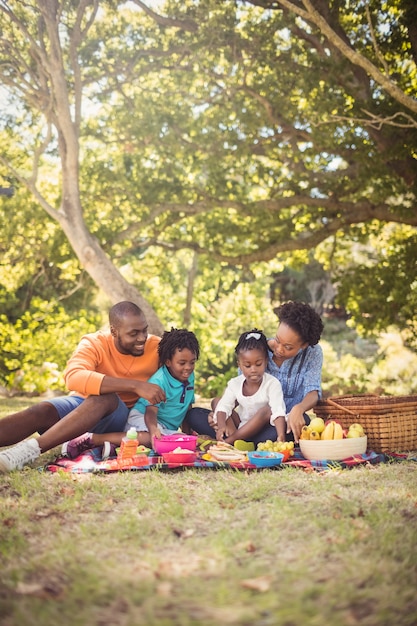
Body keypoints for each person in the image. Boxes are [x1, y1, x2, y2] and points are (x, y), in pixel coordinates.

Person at [0, 301, 166, 472]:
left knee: (105, 397)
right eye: (133, 333)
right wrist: (135, 385)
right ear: (114, 332)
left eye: (144, 330)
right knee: (42, 410)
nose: (142, 338)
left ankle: (28, 451)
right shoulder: (95, 343)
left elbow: (181, 374)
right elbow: (73, 376)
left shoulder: (157, 348)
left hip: (120, 416)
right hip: (82, 408)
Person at [185, 301, 324, 444]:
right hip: (247, 423)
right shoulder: (257, 349)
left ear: (304, 345)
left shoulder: (313, 354)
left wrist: (298, 409)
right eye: (278, 340)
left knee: (303, 421)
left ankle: (236, 441)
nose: (279, 349)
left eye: (288, 347)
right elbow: (240, 392)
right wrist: (221, 417)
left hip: (279, 424)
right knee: (195, 414)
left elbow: (313, 391)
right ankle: (241, 439)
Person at [63, 328, 200, 455]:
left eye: (192, 362)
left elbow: (187, 407)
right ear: (168, 362)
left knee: (183, 440)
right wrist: (153, 430)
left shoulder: (189, 377)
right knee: (148, 439)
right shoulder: (160, 380)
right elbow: (150, 412)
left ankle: (112, 446)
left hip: (164, 427)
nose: (188, 368)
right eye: (182, 363)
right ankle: (93, 438)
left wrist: (188, 432)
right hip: (143, 418)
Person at [198, 329, 286, 445]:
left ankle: (229, 442)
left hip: (263, 431)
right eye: (247, 365)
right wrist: (221, 427)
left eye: (258, 364)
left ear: (266, 361)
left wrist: (281, 436)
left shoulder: (272, 383)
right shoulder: (235, 383)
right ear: (239, 365)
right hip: (240, 426)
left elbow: (278, 411)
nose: (253, 369)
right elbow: (224, 406)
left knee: (267, 411)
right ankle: (235, 441)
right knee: (216, 402)